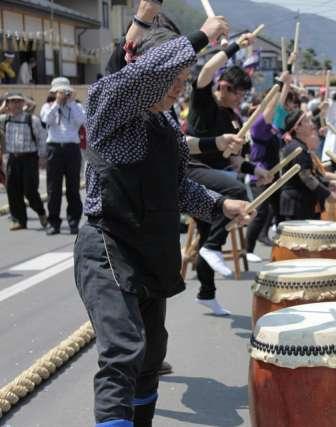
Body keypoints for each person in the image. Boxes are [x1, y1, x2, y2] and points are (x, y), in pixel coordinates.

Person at [74, 2, 253, 425]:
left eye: (183, 79)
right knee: (123, 352)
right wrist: (203, 37)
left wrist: (218, 206)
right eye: (173, 78)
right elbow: (143, 72)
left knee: (151, 357)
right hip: (108, 245)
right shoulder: (109, 104)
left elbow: (175, 187)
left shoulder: (167, 125)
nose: (179, 87)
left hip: (150, 247)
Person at [186, 41, 272, 315]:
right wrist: (236, 46)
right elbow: (207, 70)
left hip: (215, 175)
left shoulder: (233, 118)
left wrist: (256, 170)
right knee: (235, 192)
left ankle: (206, 293)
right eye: (237, 94)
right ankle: (213, 247)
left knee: (205, 234)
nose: (240, 99)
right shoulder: (204, 102)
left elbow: (234, 159)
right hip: (193, 170)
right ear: (223, 86)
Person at [246, 73, 293, 261]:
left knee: (278, 210)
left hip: (273, 175)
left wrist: (286, 85)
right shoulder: (257, 127)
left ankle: (280, 244)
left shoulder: (273, 127)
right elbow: (273, 105)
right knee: (260, 212)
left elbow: (279, 106)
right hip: (259, 175)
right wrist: (279, 84)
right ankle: (247, 250)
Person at [41, 77, 86, 235]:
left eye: (64, 92)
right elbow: (47, 120)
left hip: (72, 149)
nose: (62, 95)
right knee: (53, 189)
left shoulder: (76, 106)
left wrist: (71, 102)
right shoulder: (47, 106)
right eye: (59, 92)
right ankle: (53, 222)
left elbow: (81, 120)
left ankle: (74, 221)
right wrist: (57, 103)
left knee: (73, 187)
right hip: (54, 148)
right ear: (53, 93)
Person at [0, 92, 47, 230]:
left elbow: (41, 139)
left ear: (23, 103)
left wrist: (42, 157)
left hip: (30, 158)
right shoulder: (4, 119)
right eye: (12, 101)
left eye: (18, 101)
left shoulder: (31, 119)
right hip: (13, 159)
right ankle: (20, 220)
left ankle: (41, 212)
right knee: (12, 190)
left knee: (30, 190)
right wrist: (3, 108)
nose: (15, 104)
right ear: (7, 104)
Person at [280, 110, 336, 220]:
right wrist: (327, 194)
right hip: (297, 204)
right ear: (298, 128)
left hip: (300, 203)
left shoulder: (299, 146)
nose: (312, 124)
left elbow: (311, 174)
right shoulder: (297, 148)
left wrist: (327, 183)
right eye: (307, 121)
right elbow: (306, 177)